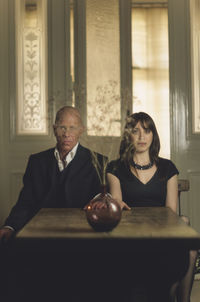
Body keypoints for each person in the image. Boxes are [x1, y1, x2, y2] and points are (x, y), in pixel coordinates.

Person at [106, 112, 197, 302]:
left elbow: (170, 212)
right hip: (130, 236)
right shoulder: (115, 168)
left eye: (147, 131)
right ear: (127, 136)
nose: (141, 137)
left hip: (162, 232)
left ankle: (183, 298)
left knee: (188, 241)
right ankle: (168, 291)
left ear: (153, 135)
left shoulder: (168, 168)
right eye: (135, 131)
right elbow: (117, 206)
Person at [0, 106, 103, 242]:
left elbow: (102, 200)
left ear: (81, 130)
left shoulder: (98, 161)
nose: (66, 133)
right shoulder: (37, 161)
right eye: (62, 127)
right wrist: (10, 226)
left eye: (72, 127)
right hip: (41, 233)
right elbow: (25, 202)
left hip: (81, 234)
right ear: (54, 129)